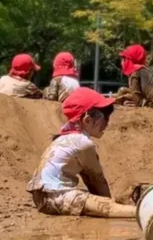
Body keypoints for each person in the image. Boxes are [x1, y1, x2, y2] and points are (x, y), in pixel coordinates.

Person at [27, 87, 137, 218]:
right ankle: (145, 212)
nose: (107, 124)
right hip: (57, 196)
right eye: (105, 118)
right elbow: (96, 180)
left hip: (41, 197)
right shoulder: (82, 142)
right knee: (105, 207)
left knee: (89, 199)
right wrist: (108, 201)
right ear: (87, 120)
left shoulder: (63, 138)